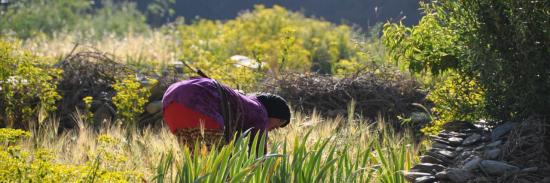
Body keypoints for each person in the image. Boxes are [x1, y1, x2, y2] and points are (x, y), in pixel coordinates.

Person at [162, 77, 291, 151]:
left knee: (196, 164)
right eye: (279, 123)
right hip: (199, 104)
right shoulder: (260, 111)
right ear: (273, 112)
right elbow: (258, 155)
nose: (276, 129)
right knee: (221, 167)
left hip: (170, 103)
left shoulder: (245, 101)